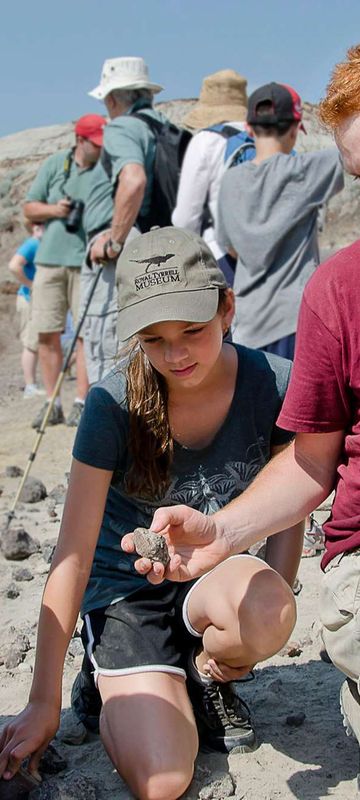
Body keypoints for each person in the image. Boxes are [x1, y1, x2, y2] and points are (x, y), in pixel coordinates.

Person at [0, 228, 303, 800]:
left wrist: (273, 609)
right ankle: (106, 679)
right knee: (164, 781)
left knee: (269, 609)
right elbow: (72, 554)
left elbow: (289, 504)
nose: (177, 353)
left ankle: (206, 674)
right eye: (155, 338)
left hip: (213, 574)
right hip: (125, 595)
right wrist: (43, 701)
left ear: (227, 308)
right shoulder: (112, 404)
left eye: (192, 330)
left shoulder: (273, 383)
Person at [131, 46, 360, 763]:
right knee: (282, 451)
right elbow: (312, 462)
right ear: (299, 127)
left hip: (244, 327)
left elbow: (211, 238)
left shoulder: (229, 181)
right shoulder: (312, 187)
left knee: (264, 458)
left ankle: (250, 598)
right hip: (288, 330)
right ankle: (262, 596)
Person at [216, 81, 344, 360]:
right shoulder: (305, 171)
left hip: (248, 323)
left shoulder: (230, 181)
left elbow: (230, 248)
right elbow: (350, 155)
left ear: (249, 128)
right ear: (295, 130)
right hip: (296, 319)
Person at [81, 56, 165, 385]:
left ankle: (112, 428)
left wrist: (113, 241)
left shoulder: (121, 128)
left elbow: (132, 179)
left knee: (108, 344)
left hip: (119, 252)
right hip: (155, 245)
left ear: (113, 98)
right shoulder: (164, 126)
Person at [23, 113, 106, 428]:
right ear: (80, 140)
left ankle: (81, 401)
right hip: (49, 261)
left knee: (86, 335)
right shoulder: (56, 165)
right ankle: (51, 401)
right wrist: (55, 210)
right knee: (47, 332)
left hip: (87, 263)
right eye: (95, 143)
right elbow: (30, 207)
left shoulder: (106, 168)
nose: (100, 148)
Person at [172, 69, 248, 285]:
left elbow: (186, 217)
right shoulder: (265, 136)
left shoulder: (206, 141)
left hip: (222, 257)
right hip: (270, 260)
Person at [8, 222, 45, 398]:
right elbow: (14, 266)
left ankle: (33, 383)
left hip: (34, 300)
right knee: (30, 343)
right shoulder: (33, 243)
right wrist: (30, 285)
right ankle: (30, 386)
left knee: (35, 341)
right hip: (28, 299)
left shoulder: (40, 244)